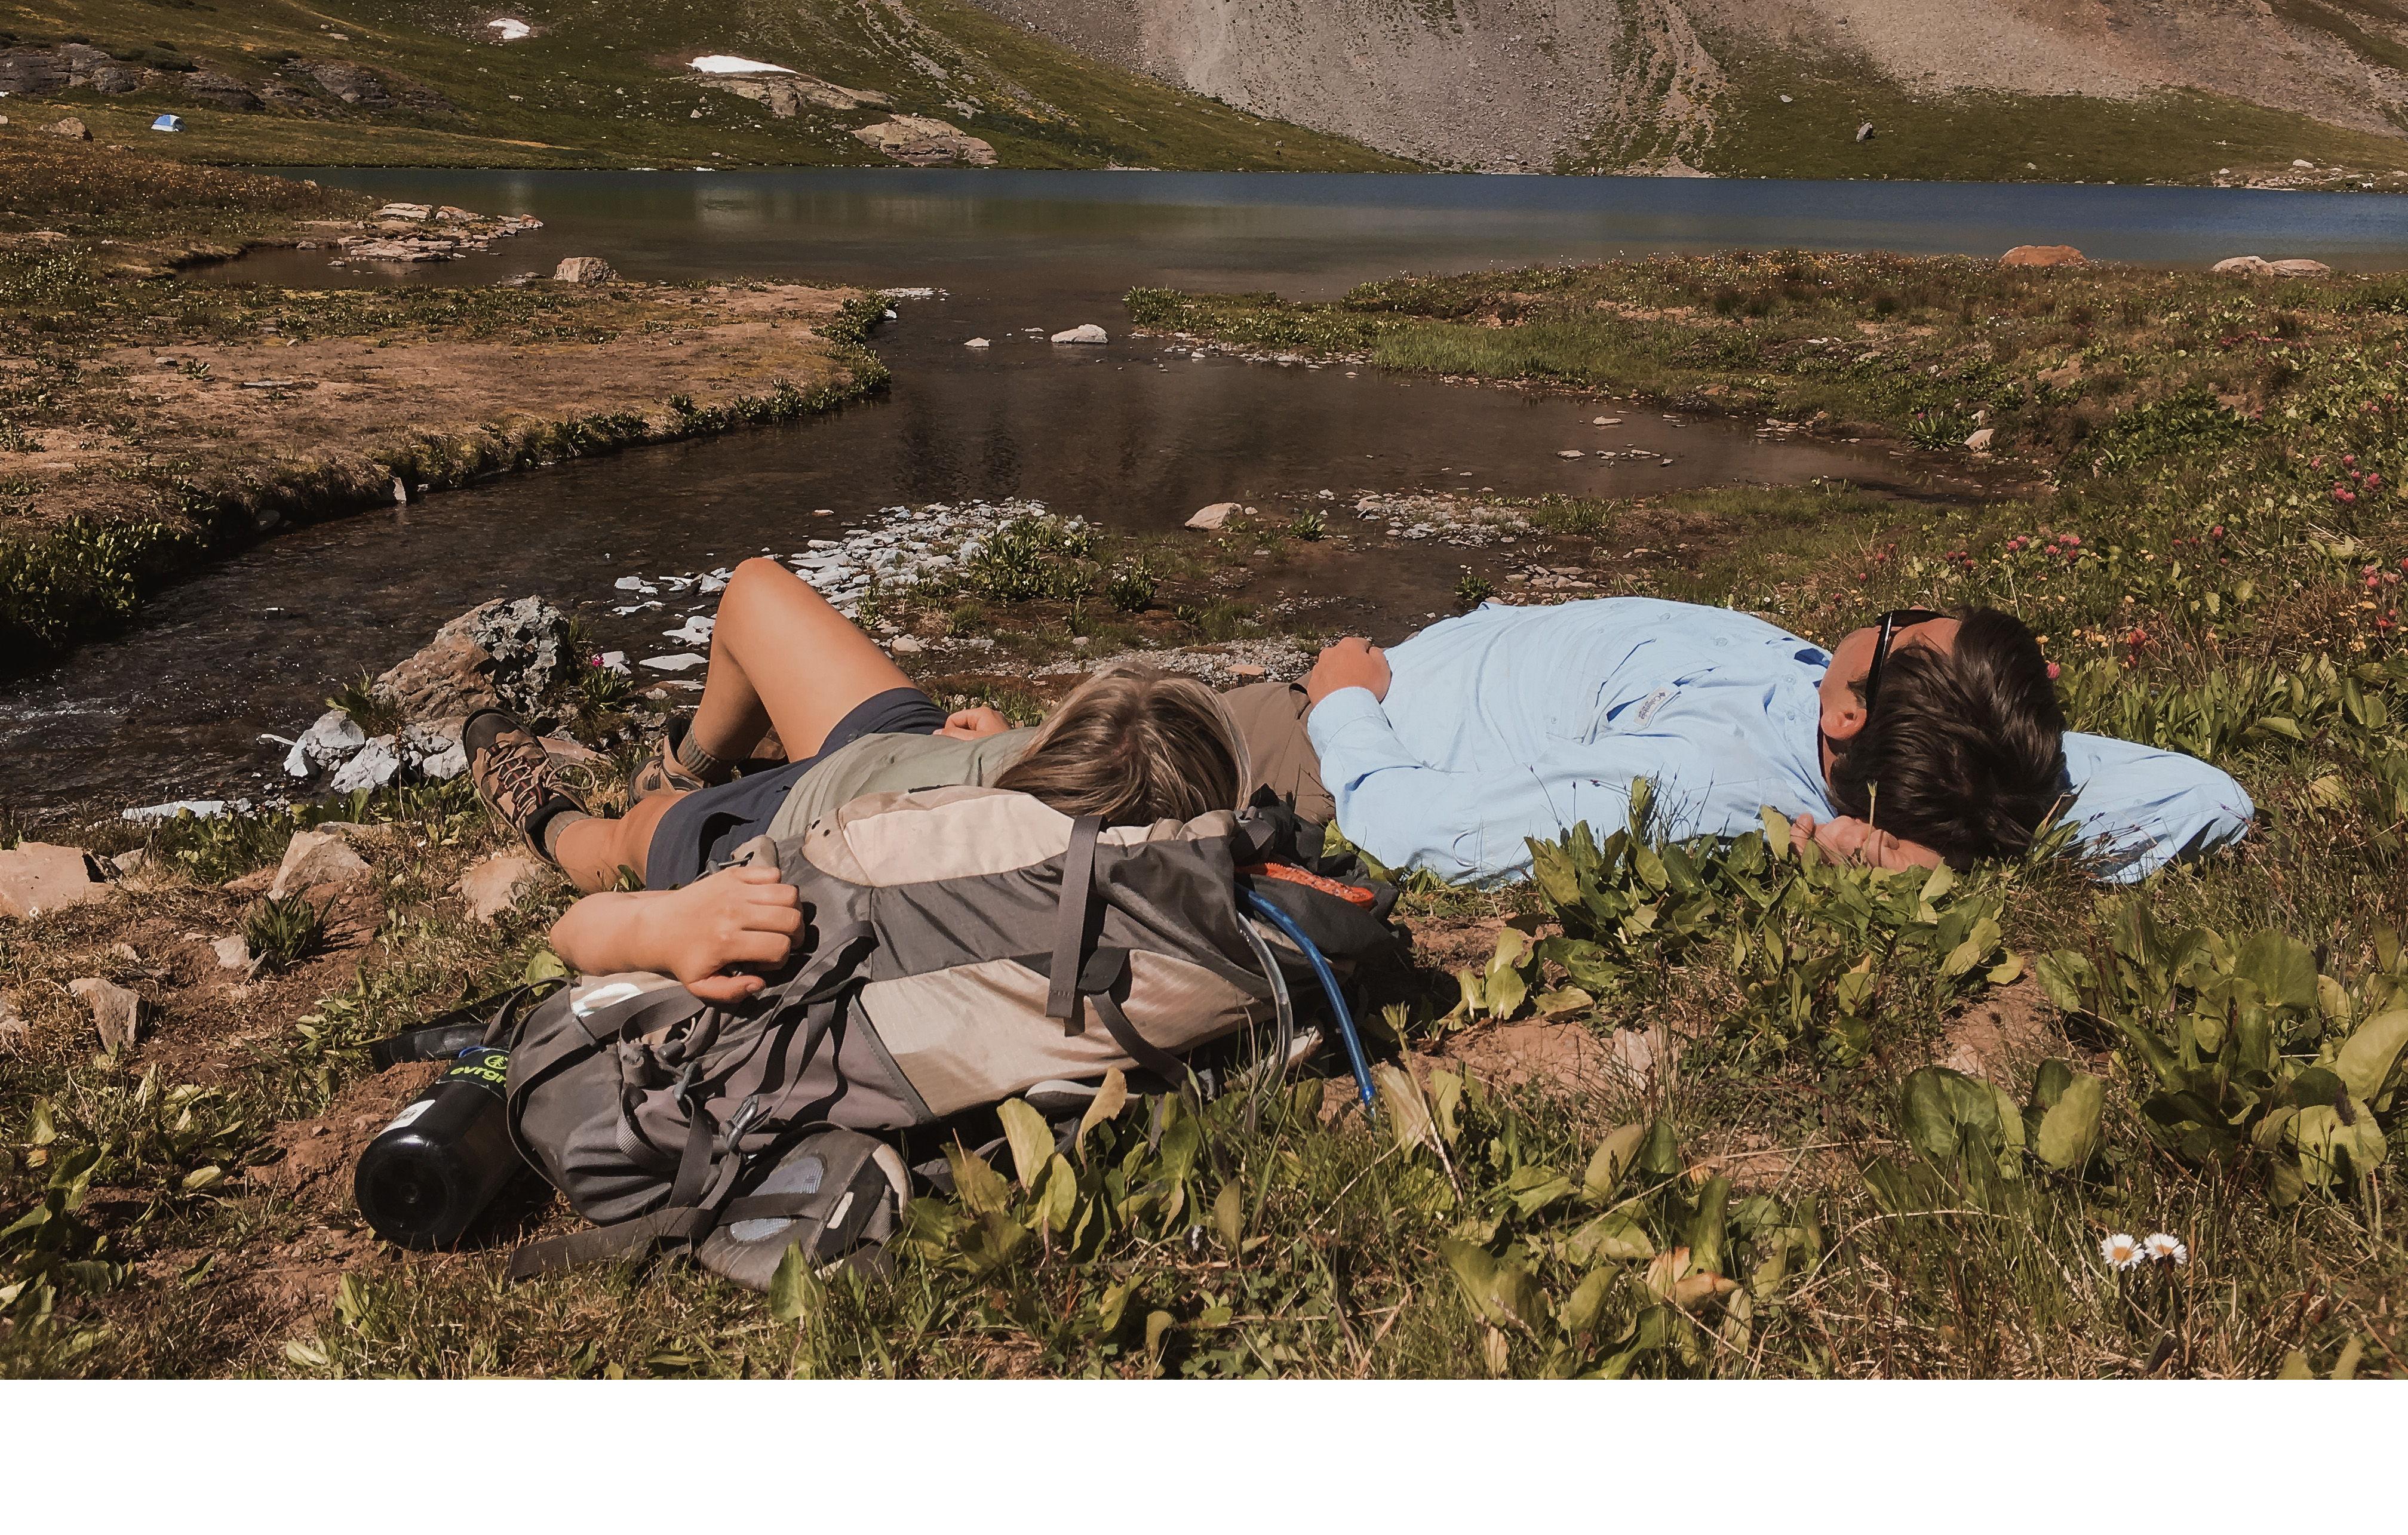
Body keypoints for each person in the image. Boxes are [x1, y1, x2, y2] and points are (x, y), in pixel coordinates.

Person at [465, 557, 1247, 1001]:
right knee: (754, 592)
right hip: (914, 754)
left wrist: (663, 929)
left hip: (803, 830)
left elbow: (580, 930)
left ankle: (552, 819)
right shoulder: (1139, 821)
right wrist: (1022, 749)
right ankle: (680, 761)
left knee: (635, 838)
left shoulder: (923, 896)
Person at [1217, 596, 2253, 885]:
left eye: (1902, 625)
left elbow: (1413, 830)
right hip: (1428, 658)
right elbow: (2212, 795)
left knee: (1063, 761)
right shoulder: (1966, 749)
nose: (1890, 613)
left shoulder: (1697, 789)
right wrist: (1957, 839)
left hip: (1314, 738)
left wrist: (1345, 699)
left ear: (1851, 715)